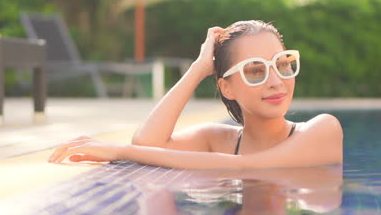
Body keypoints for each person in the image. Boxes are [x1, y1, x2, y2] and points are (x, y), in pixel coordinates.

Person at [48, 20, 343, 169]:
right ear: (226, 87)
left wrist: (119, 150)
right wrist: (199, 69)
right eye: (255, 70)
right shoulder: (219, 141)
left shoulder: (324, 129)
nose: (276, 81)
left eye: (281, 64)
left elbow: (250, 168)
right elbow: (148, 142)